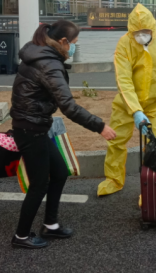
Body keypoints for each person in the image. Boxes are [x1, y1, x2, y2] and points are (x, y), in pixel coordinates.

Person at [10, 21, 116, 249]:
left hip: (35, 125)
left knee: (59, 172)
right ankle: (21, 236)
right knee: (39, 184)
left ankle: (50, 224)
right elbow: (68, 106)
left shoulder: (40, 53)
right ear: (63, 41)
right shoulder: (49, 64)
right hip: (30, 128)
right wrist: (100, 126)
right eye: (74, 43)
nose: (74, 48)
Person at [97, 4, 156, 197]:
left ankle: (151, 187)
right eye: (136, 33)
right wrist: (136, 110)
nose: (141, 36)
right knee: (116, 141)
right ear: (131, 31)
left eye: (145, 31)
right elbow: (123, 79)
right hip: (126, 104)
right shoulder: (125, 44)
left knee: (153, 147)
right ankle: (113, 180)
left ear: (153, 28)